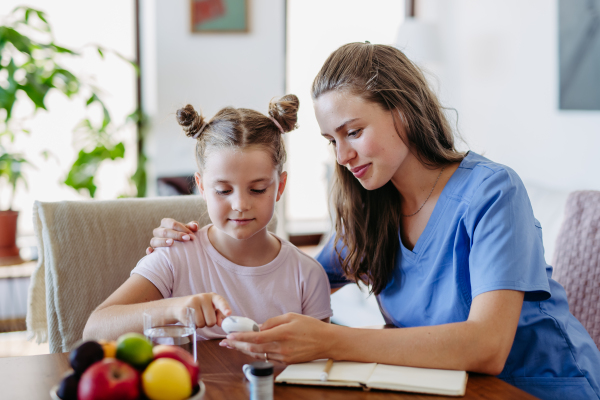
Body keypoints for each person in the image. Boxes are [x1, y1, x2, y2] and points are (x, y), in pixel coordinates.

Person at [145, 43, 600, 399]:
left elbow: (487, 347)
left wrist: (329, 340)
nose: (343, 157)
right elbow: (284, 273)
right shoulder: (371, 211)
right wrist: (202, 241)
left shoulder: (493, 192)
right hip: (439, 390)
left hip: (539, 387)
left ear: (402, 111)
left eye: (354, 132)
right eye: (331, 141)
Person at [83, 95, 332, 342]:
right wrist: (173, 308)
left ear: (280, 186)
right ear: (201, 187)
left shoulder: (307, 275)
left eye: (257, 189)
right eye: (223, 191)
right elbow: (95, 330)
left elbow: (320, 361)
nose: (240, 205)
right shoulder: (175, 255)